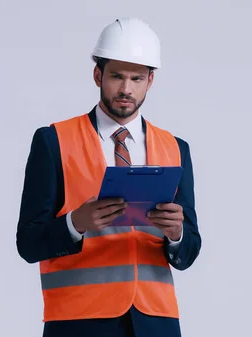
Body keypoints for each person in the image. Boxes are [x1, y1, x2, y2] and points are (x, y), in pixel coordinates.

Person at [15, 17, 202, 337]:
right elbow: (28, 244)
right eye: (116, 76)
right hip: (78, 322)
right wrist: (76, 222)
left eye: (137, 78)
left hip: (156, 322)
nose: (126, 89)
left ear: (150, 81)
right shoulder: (54, 141)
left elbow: (189, 250)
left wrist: (177, 234)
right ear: (97, 75)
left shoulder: (175, 148)